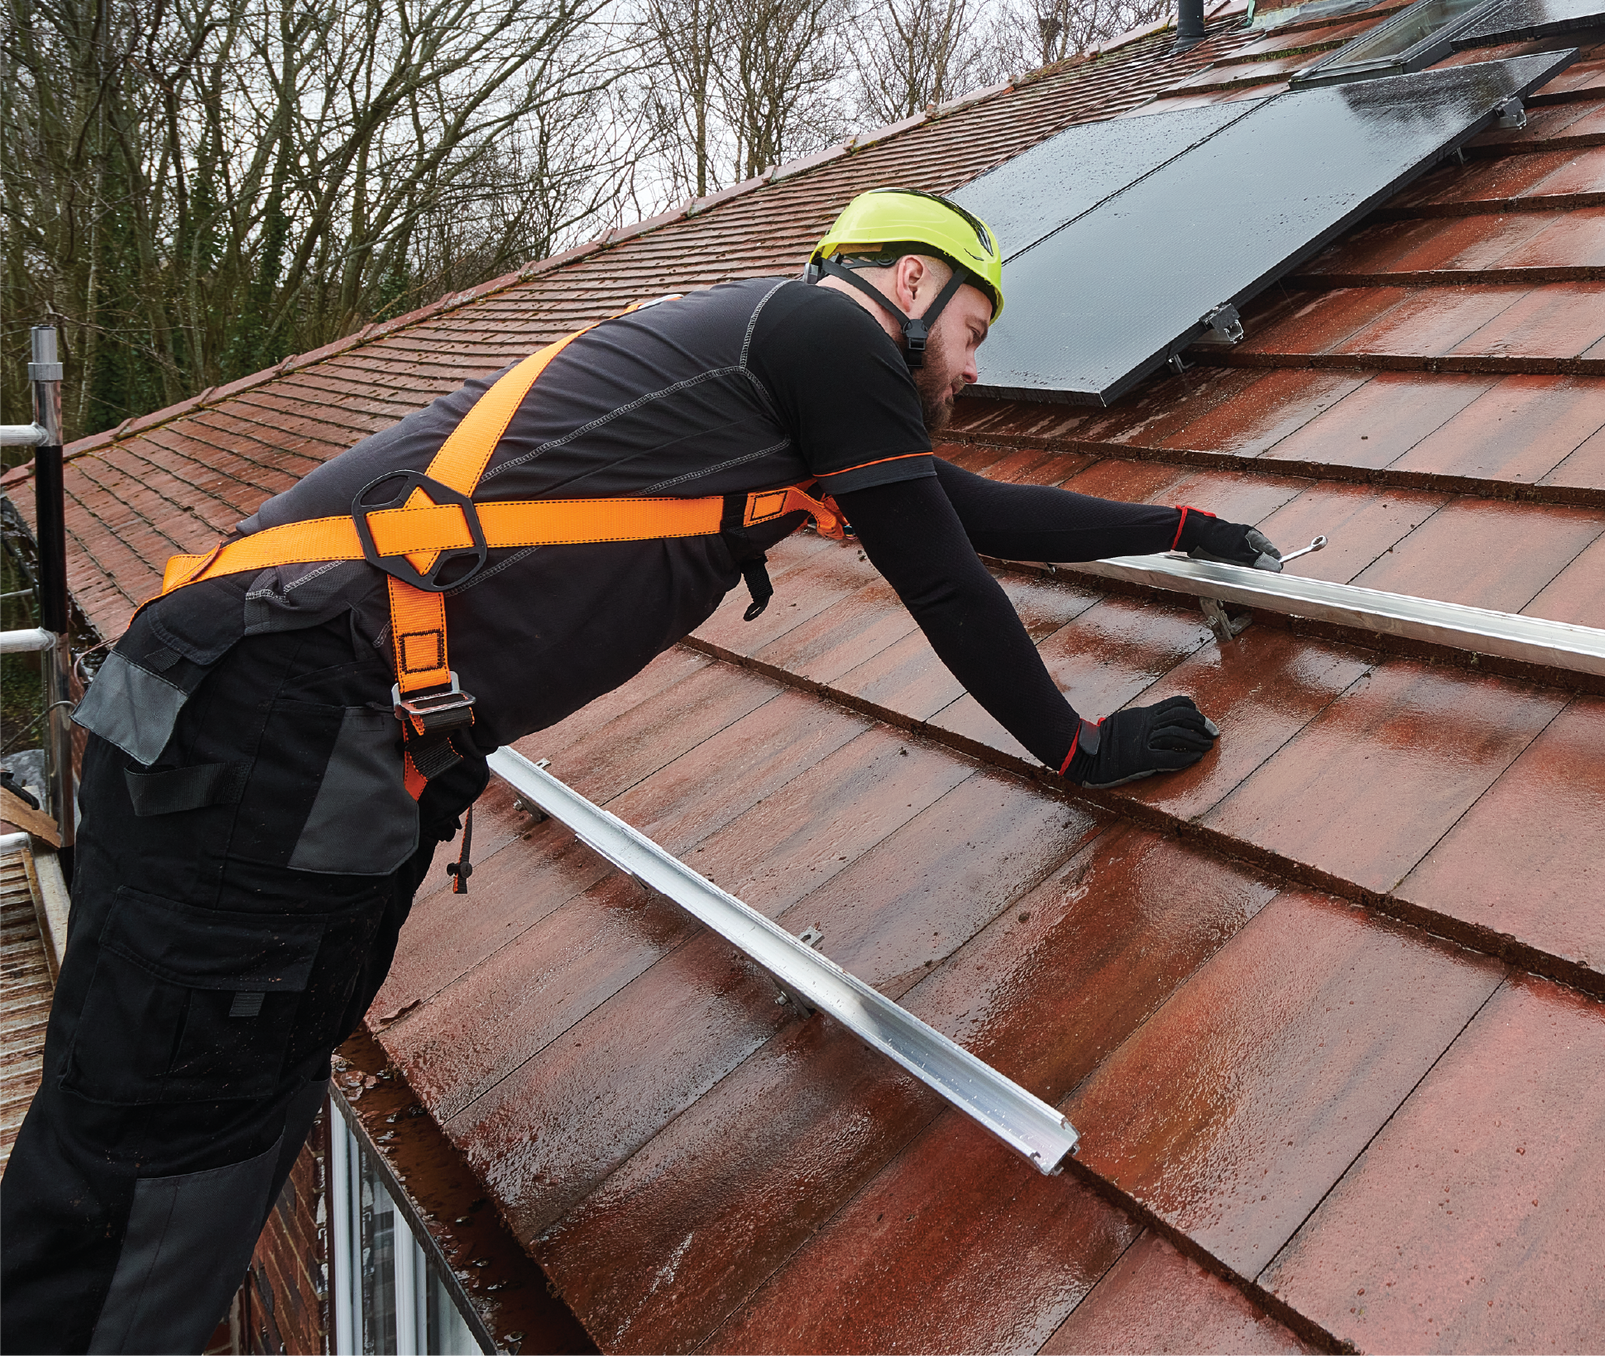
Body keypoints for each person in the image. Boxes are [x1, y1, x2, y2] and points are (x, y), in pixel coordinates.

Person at [0, 188, 1285, 1353]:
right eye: (973, 328)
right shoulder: (824, 331)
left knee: (198, 1140)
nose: (973, 362)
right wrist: (1080, 745)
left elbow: (966, 511)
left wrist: (1179, 530)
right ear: (906, 284)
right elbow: (941, 573)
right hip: (273, 733)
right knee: (146, 1189)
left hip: (270, 737)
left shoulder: (773, 373)